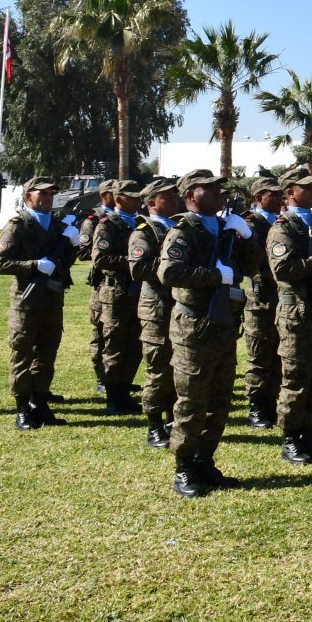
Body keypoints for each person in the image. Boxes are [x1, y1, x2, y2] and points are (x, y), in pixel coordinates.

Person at [159, 169, 256, 497]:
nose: (218, 192)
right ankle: (184, 467)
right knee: (192, 399)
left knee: (219, 397)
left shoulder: (226, 228)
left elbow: (253, 268)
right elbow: (170, 271)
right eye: (209, 188)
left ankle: (205, 460)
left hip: (223, 324)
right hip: (193, 325)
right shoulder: (183, 230)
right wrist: (214, 275)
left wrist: (248, 236)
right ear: (190, 195)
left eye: (218, 188)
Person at [0, 177, 82, 430]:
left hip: (53, 299)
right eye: (41, 194)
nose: (47, 198)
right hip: (26, 299)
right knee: (22, 353)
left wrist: (73, 244)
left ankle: (40, 403)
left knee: (47, 352)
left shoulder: (57, 225)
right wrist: (33, 265)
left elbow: (64, 262)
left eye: (50, 194)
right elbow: (1, 264)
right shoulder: (18, 225)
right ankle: (22, 407)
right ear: (28, 197)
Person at [267, 170, 312, 466]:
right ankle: (290, 437)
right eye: (305, 188)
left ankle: (307, 432)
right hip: (296, 313)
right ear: (289, 193)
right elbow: (282, 270)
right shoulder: (283, 227)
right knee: (296, 378)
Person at [128, 178, 179, 447]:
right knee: (158, 367)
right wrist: (174, 264)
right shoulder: (143, 232)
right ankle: (154, 424)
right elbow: (139, 269)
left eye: (174, 196)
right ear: (151, 203)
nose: (173, 201)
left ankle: (172, 418)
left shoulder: (179, 227)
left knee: (177, 366)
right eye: (167, 198)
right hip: (157, 308)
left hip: (179, 306)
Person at [90, 179, 145, 412]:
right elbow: (101, 258)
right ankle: (113, 396)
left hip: (138, 292)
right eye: (132, 197)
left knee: (135, 344)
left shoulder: (142, 224)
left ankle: (124, 390)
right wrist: (134, 262)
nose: (137, 201)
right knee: (114, 344)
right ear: (119, 199)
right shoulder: (107, 224)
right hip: (115, 293)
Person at [243, 178, 285, 429]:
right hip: (261, 298)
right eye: (273, 194)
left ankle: (272, 402)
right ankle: (256, 406)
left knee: (279, 353)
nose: (280, 198)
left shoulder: (281, 221)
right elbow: (255, 260)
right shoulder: (251, 224)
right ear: (259, 198)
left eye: (281, 194)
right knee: (259, 355)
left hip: (282, 298)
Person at [81, 180, 117, 395]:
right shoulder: (93, 221)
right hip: (101, 283)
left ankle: (117, 376)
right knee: (101, 331)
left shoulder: (124, 219)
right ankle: (101, 376)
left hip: (121, 285)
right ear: (105, 197)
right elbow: (84, 251)